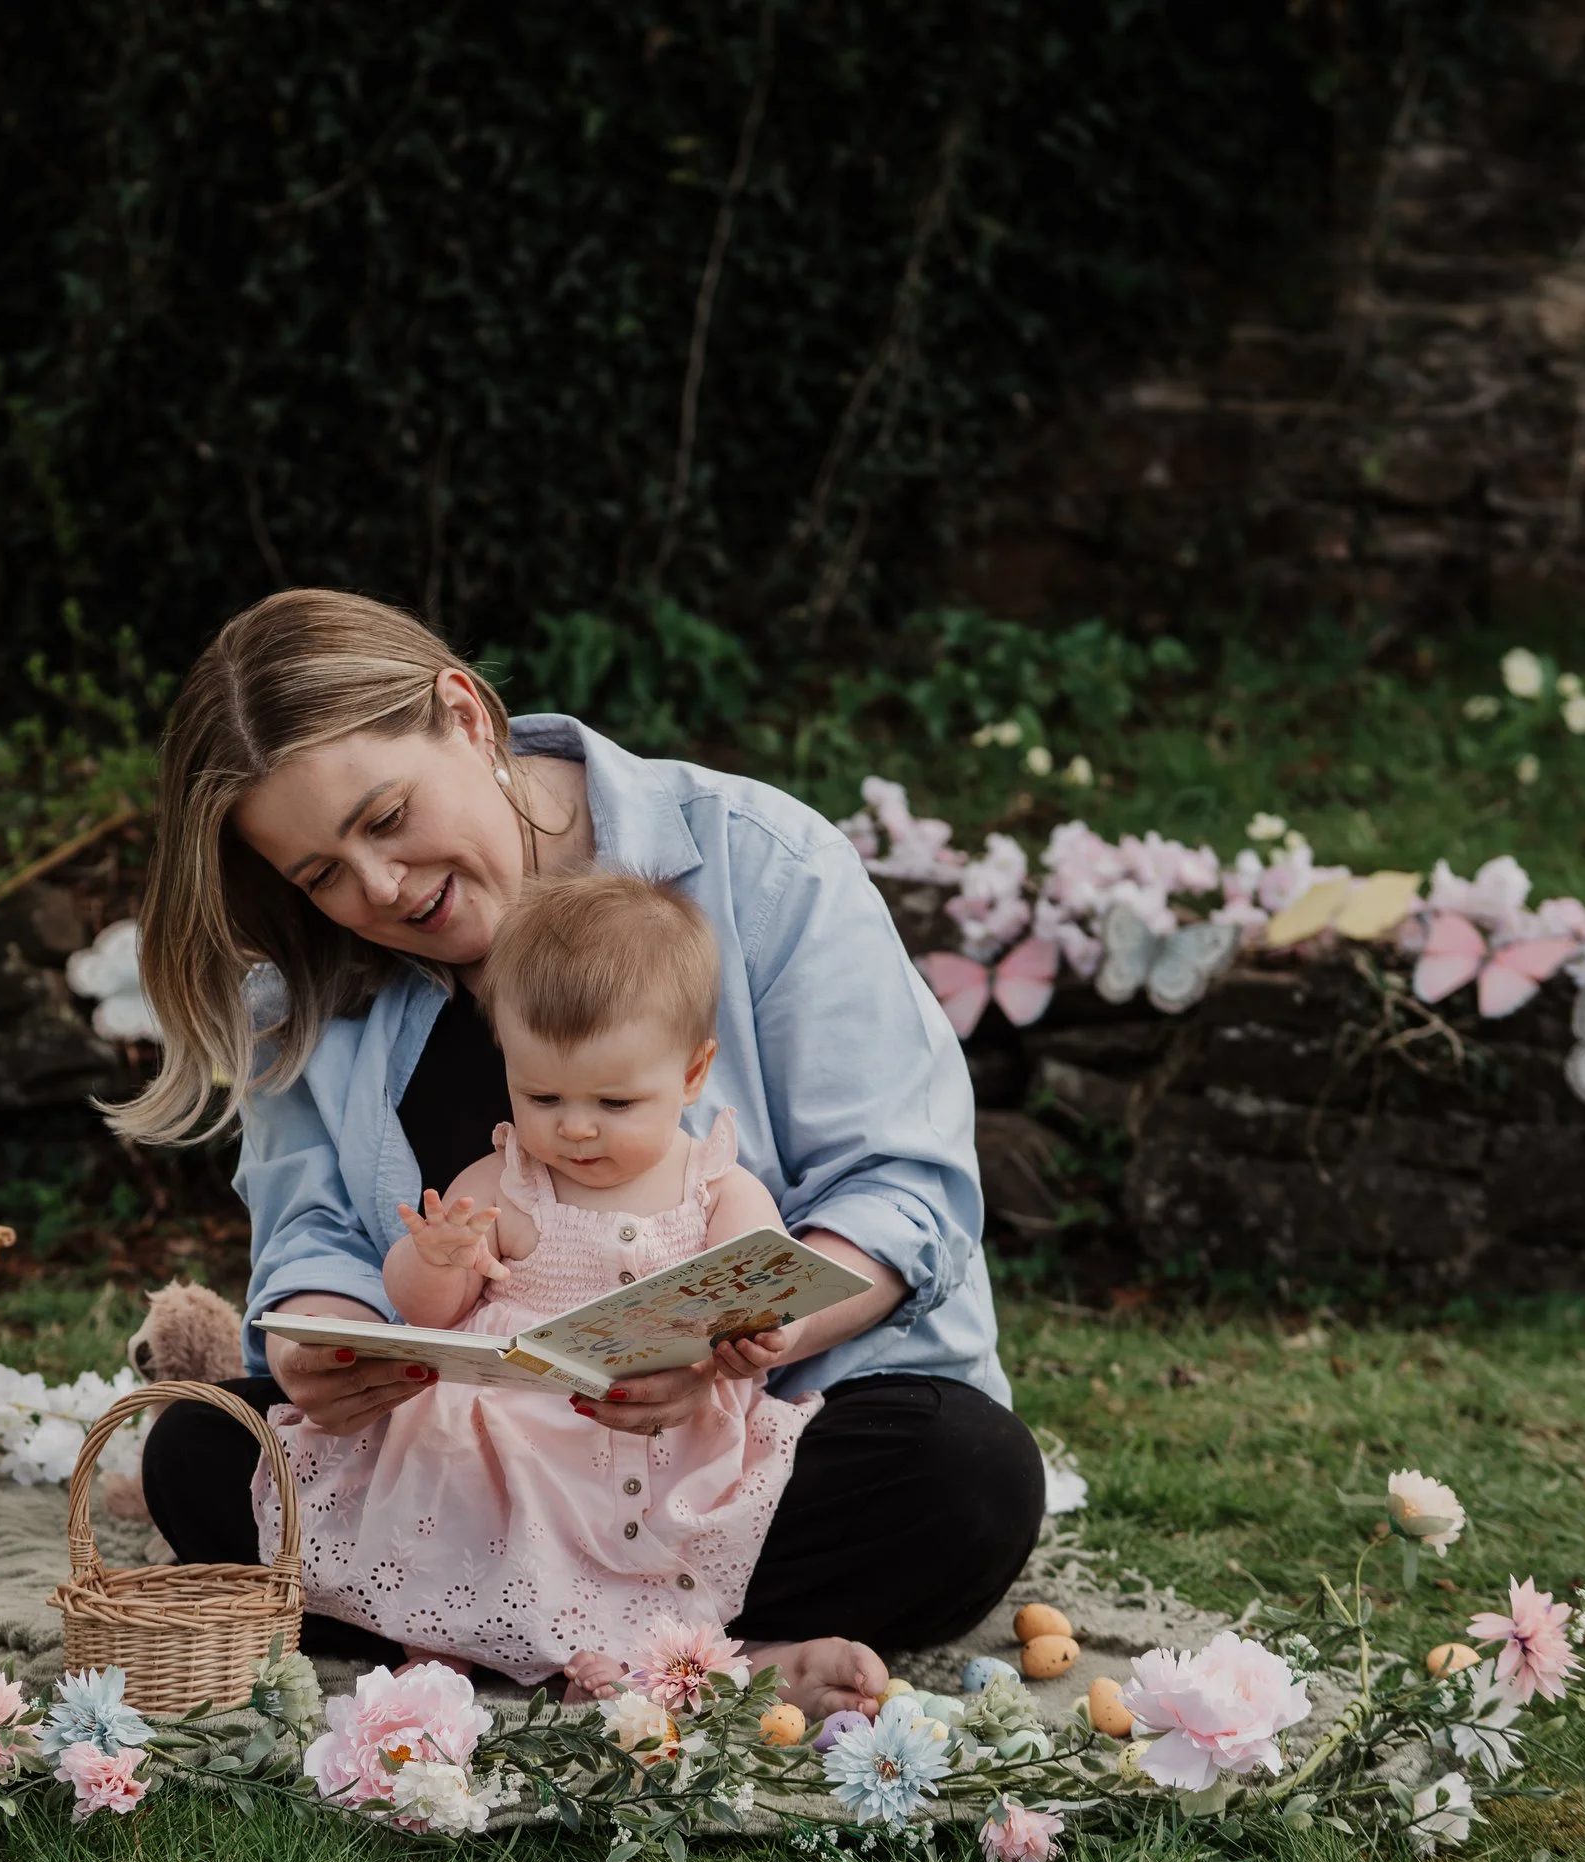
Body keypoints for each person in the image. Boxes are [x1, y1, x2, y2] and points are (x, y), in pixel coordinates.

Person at [109, 588, 1044, 1722]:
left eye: (387, 817)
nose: (378, 888)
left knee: (968, 1478)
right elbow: (312, 1234)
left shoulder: (759, 862)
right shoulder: (312, 978)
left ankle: (476, 1628)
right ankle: (700, 1652)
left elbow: (903, 1191)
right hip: (477, 1460)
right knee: (199, 1452)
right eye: (320, 874)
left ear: (465, 716)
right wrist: (322, 1338)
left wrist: (731, 1342)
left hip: (745, 1445)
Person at [253, 870, 819, 1692]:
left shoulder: (716, 1185)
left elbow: (766, 1292)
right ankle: (451, 1632)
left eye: (616, 1102)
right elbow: (428, 1312)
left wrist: (763, 1333)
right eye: (542, 1094)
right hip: (517, 1420)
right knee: (458, 1462)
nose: (576, 1127)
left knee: (716, 1519)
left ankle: (629, 1651)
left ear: (693, 1073)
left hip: (658, 1426)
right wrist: (437, 1258)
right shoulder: (508, 1180)